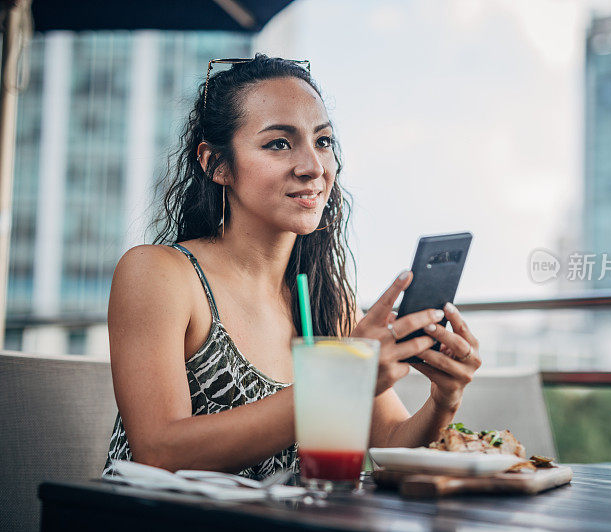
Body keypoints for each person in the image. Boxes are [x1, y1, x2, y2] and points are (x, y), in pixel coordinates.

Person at [104, 54, 481, 480]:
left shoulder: (326, 299)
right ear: (216, 164)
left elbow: (391, 444)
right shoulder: (160, 273)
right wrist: (339, 383)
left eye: (322, 141)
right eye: (279, 143)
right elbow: (158, 451)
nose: (313, 167)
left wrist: (444, 398)